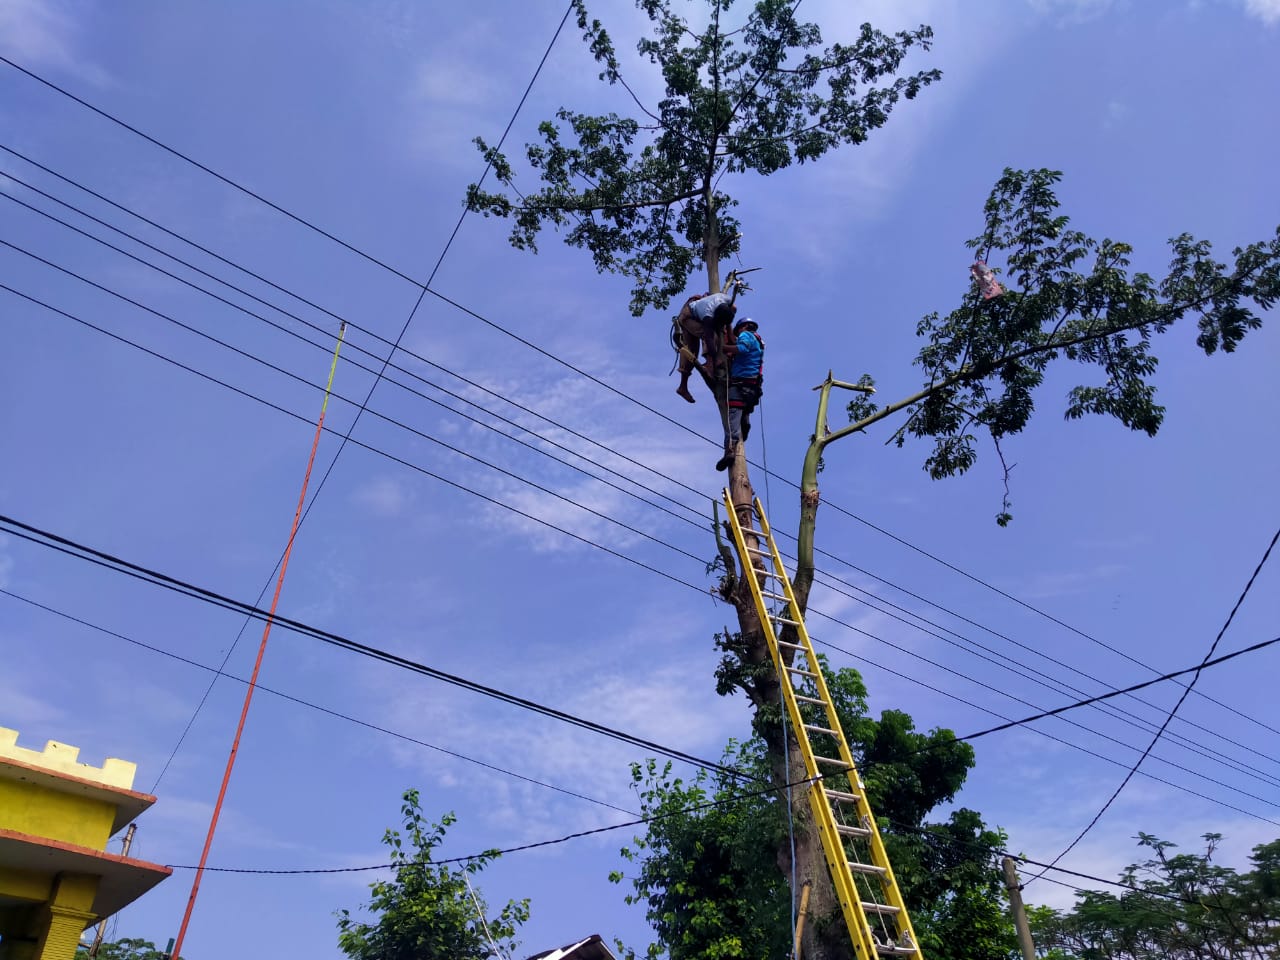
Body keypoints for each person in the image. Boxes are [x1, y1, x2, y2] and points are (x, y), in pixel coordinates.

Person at [716, 318, 764, 471]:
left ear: (743, 327)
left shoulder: (746, 335)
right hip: (752, 389)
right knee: (743, 415)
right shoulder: (759, 341)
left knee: (732, 421)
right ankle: (746, 426)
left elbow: (741, 349)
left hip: (739, 385)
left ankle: (730, 450)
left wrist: (723, 348)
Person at [674, 291, 737, 403]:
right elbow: (709, 338)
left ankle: (683, 386)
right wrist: (715, 358)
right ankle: (708, 365)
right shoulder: (708, 313)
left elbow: (733, 307)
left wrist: (728, 328)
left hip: (700, 315)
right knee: (693, 348)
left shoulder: (726, 299)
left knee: (714, 335)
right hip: (687, 317)